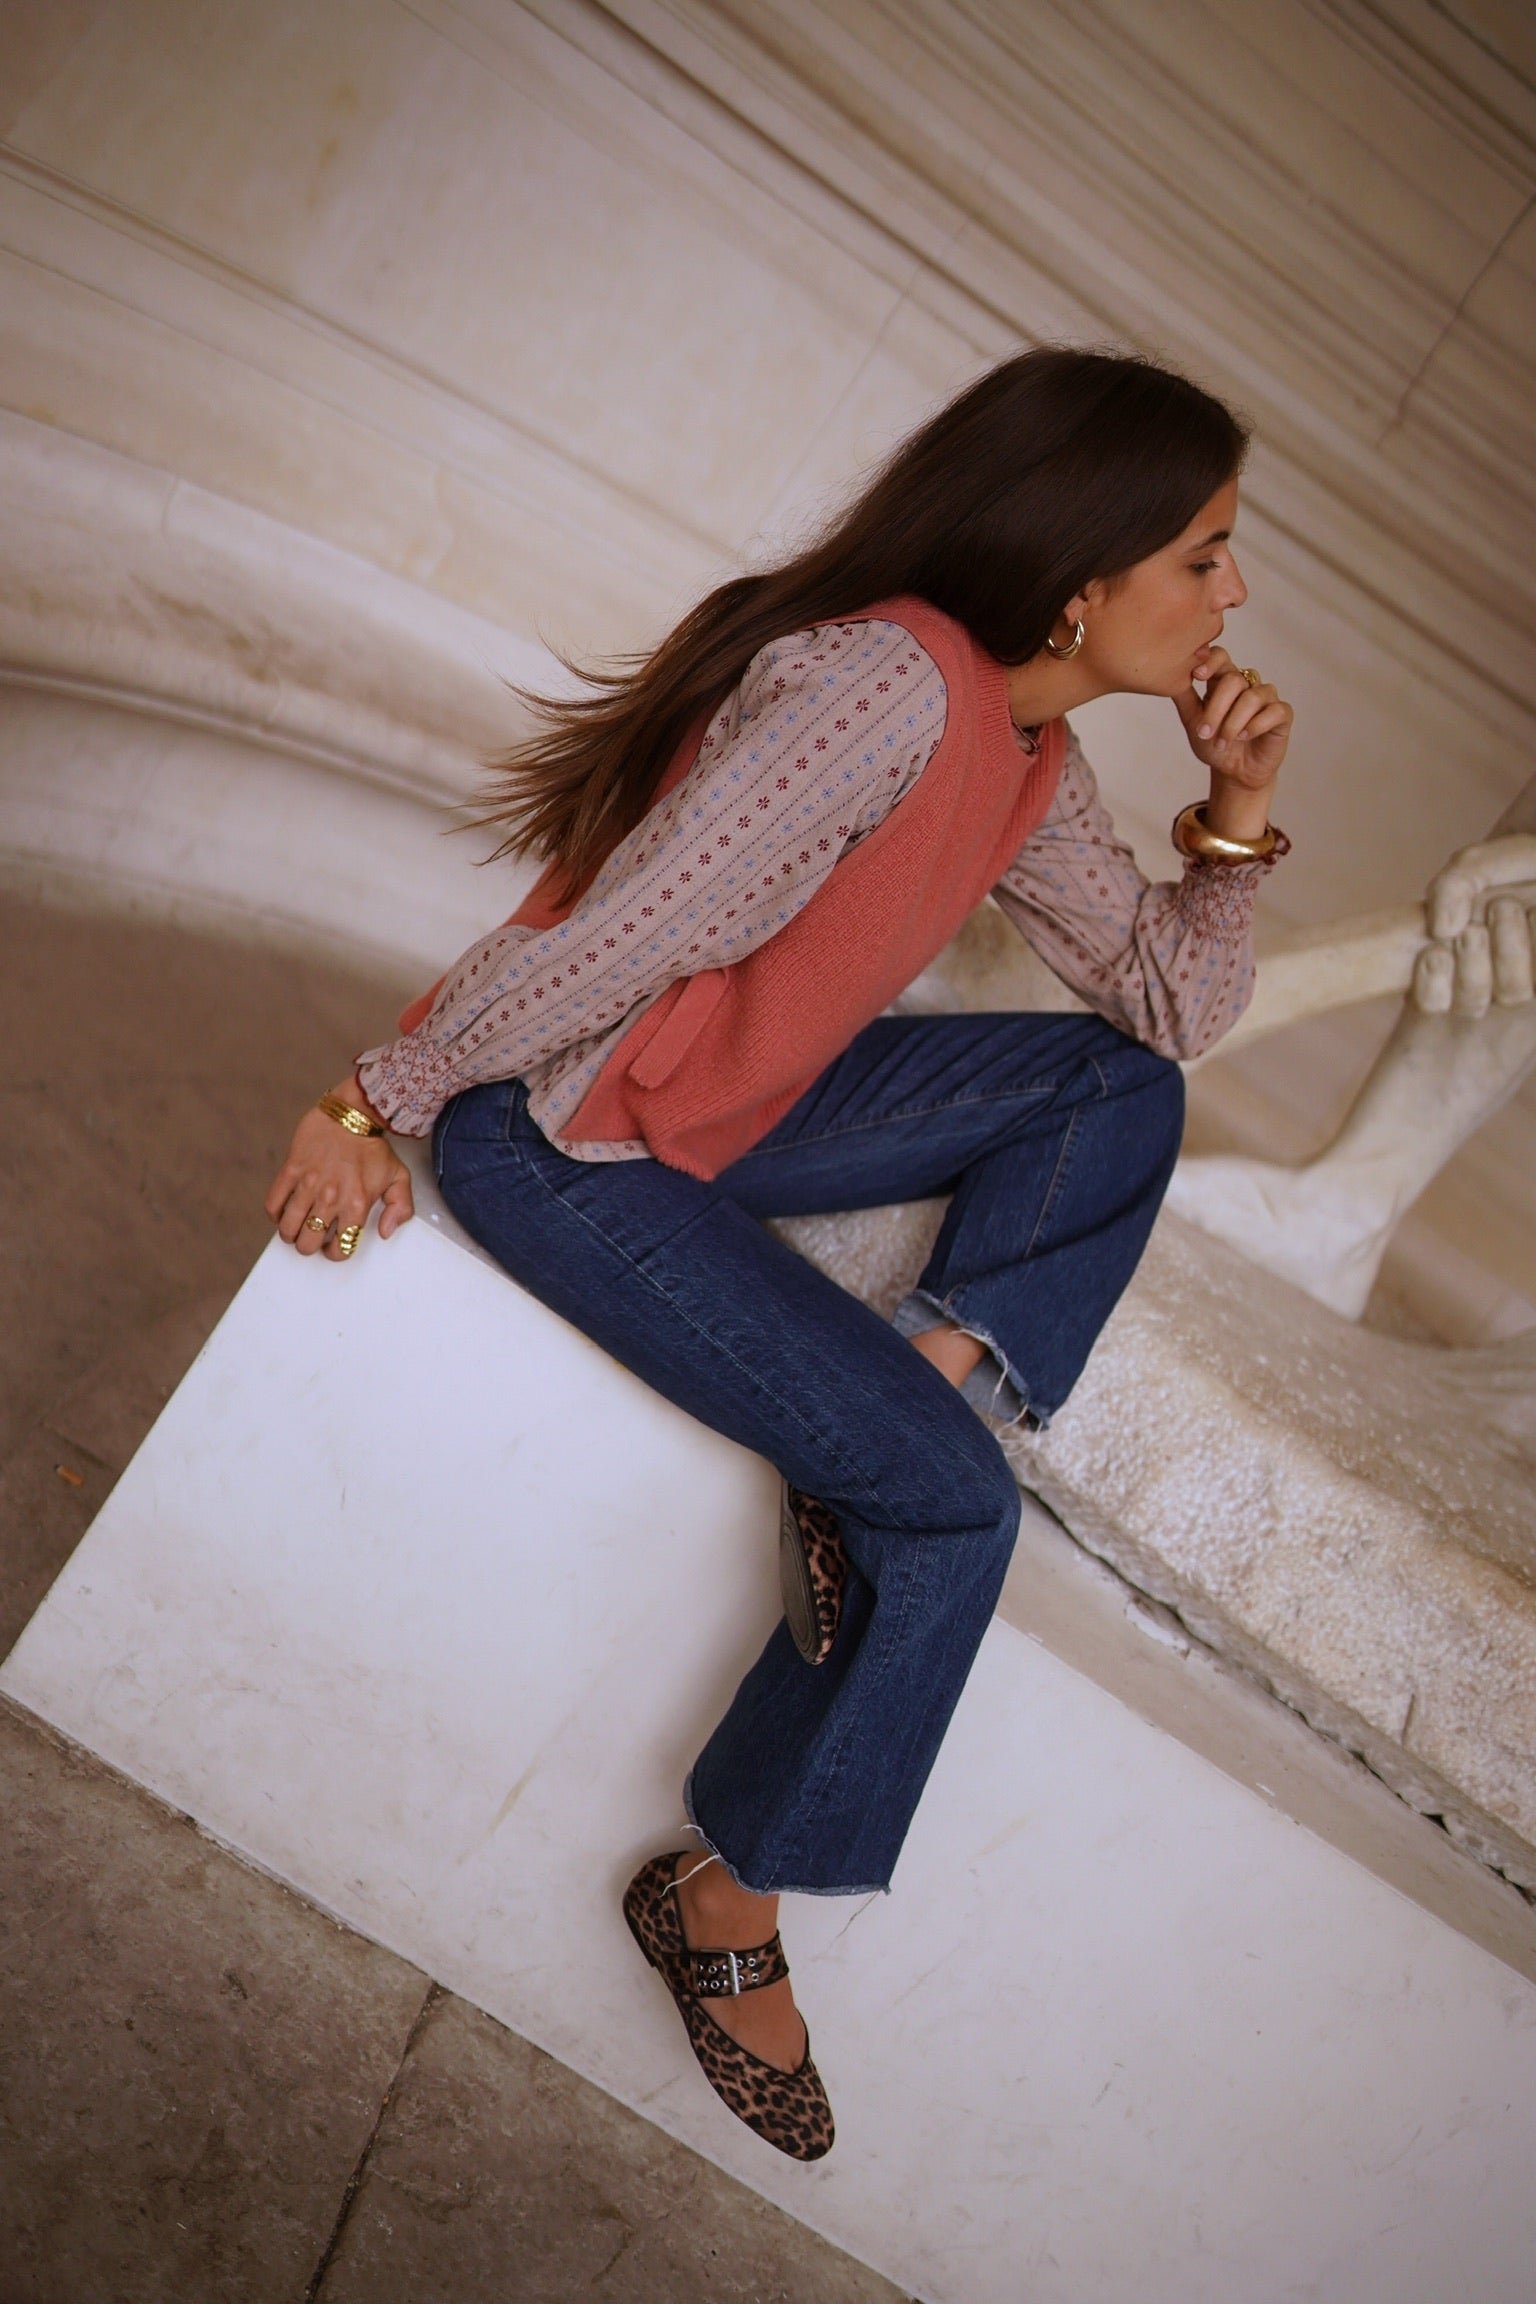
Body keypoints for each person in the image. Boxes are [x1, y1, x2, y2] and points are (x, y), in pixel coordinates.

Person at [265, 347, 1294, 2161]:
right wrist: (375, 1094)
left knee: (1111, 1088)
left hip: (734, 1112)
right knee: (955, 1513)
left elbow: (1168, 1009)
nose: (1234, 593)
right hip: (570, 1138)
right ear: (1086, 570)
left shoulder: (1027, 748)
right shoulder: (884, 687)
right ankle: (721, 1895)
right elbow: (631, 930)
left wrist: (1232, 822)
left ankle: (915, 1388)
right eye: (1204, 554)